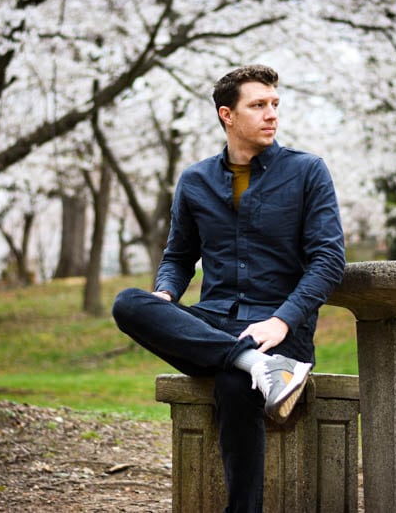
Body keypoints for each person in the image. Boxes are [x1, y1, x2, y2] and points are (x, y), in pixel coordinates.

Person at [112, 64, 345, 512]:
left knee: (234, 384)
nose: (271, 114)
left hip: (280, 329)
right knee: (129, 303)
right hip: (216, 323)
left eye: (274, 104)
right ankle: (253, 363)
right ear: (227, 115)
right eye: (258, 105)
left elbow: (329, 261)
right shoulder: (195, 181)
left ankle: (255, 366)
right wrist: (165, 296)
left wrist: (281, 321)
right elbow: (179, 259)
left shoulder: (308, 172)